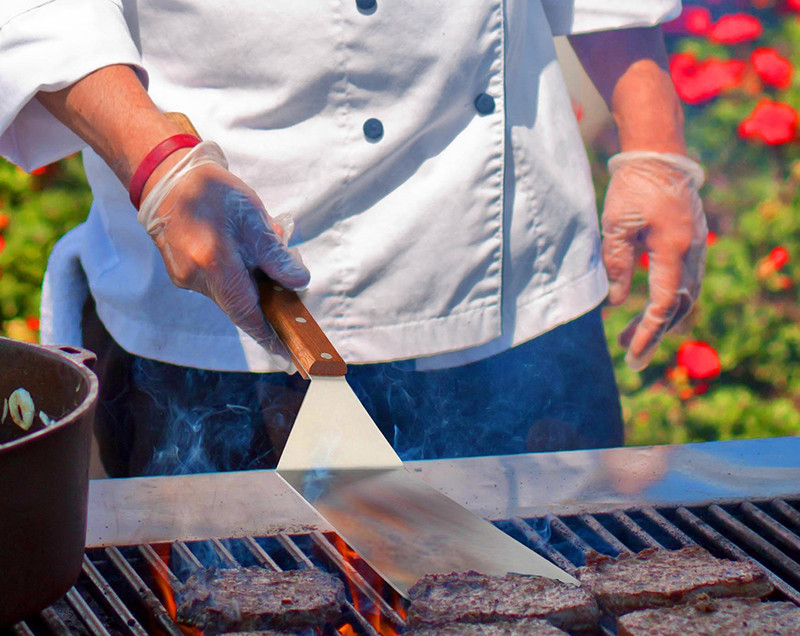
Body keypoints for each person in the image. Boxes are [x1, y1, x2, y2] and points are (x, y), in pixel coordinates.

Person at [0, 1, 707, 476]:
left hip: (515, 271)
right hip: (217, 279)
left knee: (561, 616)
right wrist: (158, 163)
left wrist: (654, 144)